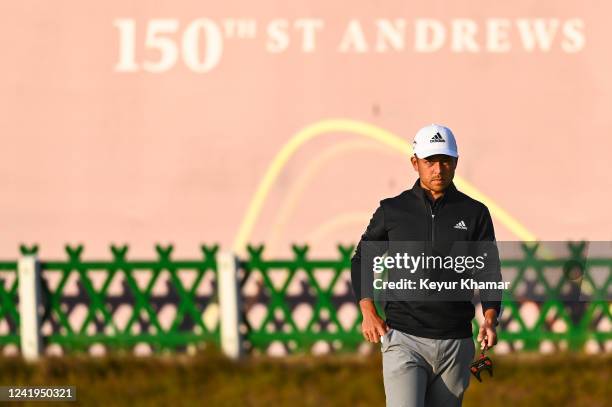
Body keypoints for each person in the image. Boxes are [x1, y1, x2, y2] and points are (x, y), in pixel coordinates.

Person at [350, 124, 502, 407]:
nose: (438, 169)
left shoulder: (475, 213)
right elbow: (362, 258)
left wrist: (490, 318)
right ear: (415, 163)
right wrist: (367, 310)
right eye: (430, 161)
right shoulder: (392, 210)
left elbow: (488, 271)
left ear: (455, 162)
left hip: (456, 342)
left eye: (445, 161)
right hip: (404, 339)